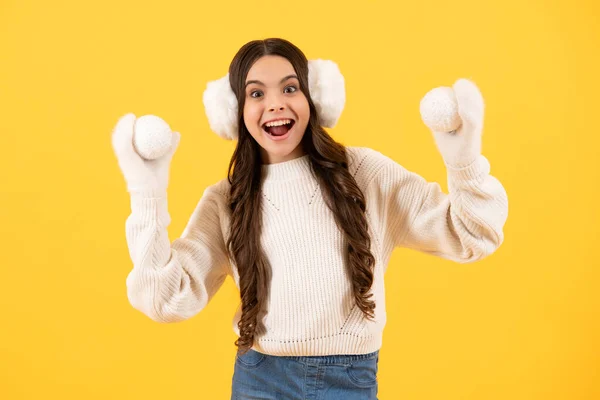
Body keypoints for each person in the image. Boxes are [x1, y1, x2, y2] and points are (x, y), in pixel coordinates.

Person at [111, 37, 508, 400]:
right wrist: (146, 194)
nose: (275, 104)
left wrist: (464, 162)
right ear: (234, 112)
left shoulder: (365, 174)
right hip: (259, 379)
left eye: (289, 88)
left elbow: (471, 234)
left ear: (315, 97)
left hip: (348, 379)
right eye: (255, 93)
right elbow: (165, 301)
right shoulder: (226, 201)